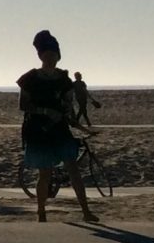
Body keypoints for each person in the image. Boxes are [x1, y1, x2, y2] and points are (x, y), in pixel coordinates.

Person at [20, 30, 98, 224]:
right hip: (39, 129)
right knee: (44, 173)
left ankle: (86, 211)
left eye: (54, 55)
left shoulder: (64, 79)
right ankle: (41, 211)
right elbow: (24, 105)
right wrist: (46, 112)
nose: (51, 58)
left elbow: (68, 105)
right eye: (47, 55)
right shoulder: (30, 78)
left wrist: (78, 123)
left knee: (73, 168)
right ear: (41, 56)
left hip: (60, 129)